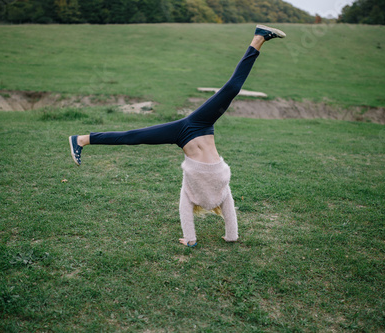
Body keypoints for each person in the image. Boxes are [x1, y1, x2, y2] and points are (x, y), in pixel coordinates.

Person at [69, 25, 286, 247]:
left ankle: (82, 139)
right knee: (133, 136)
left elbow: (223, 217)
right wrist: (206, 238)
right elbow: (197, 214)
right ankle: (82, 139)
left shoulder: (216, 190)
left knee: (230, 90)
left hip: (191, 129)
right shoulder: (208, 194)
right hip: (198, 126)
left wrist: (212, 238)